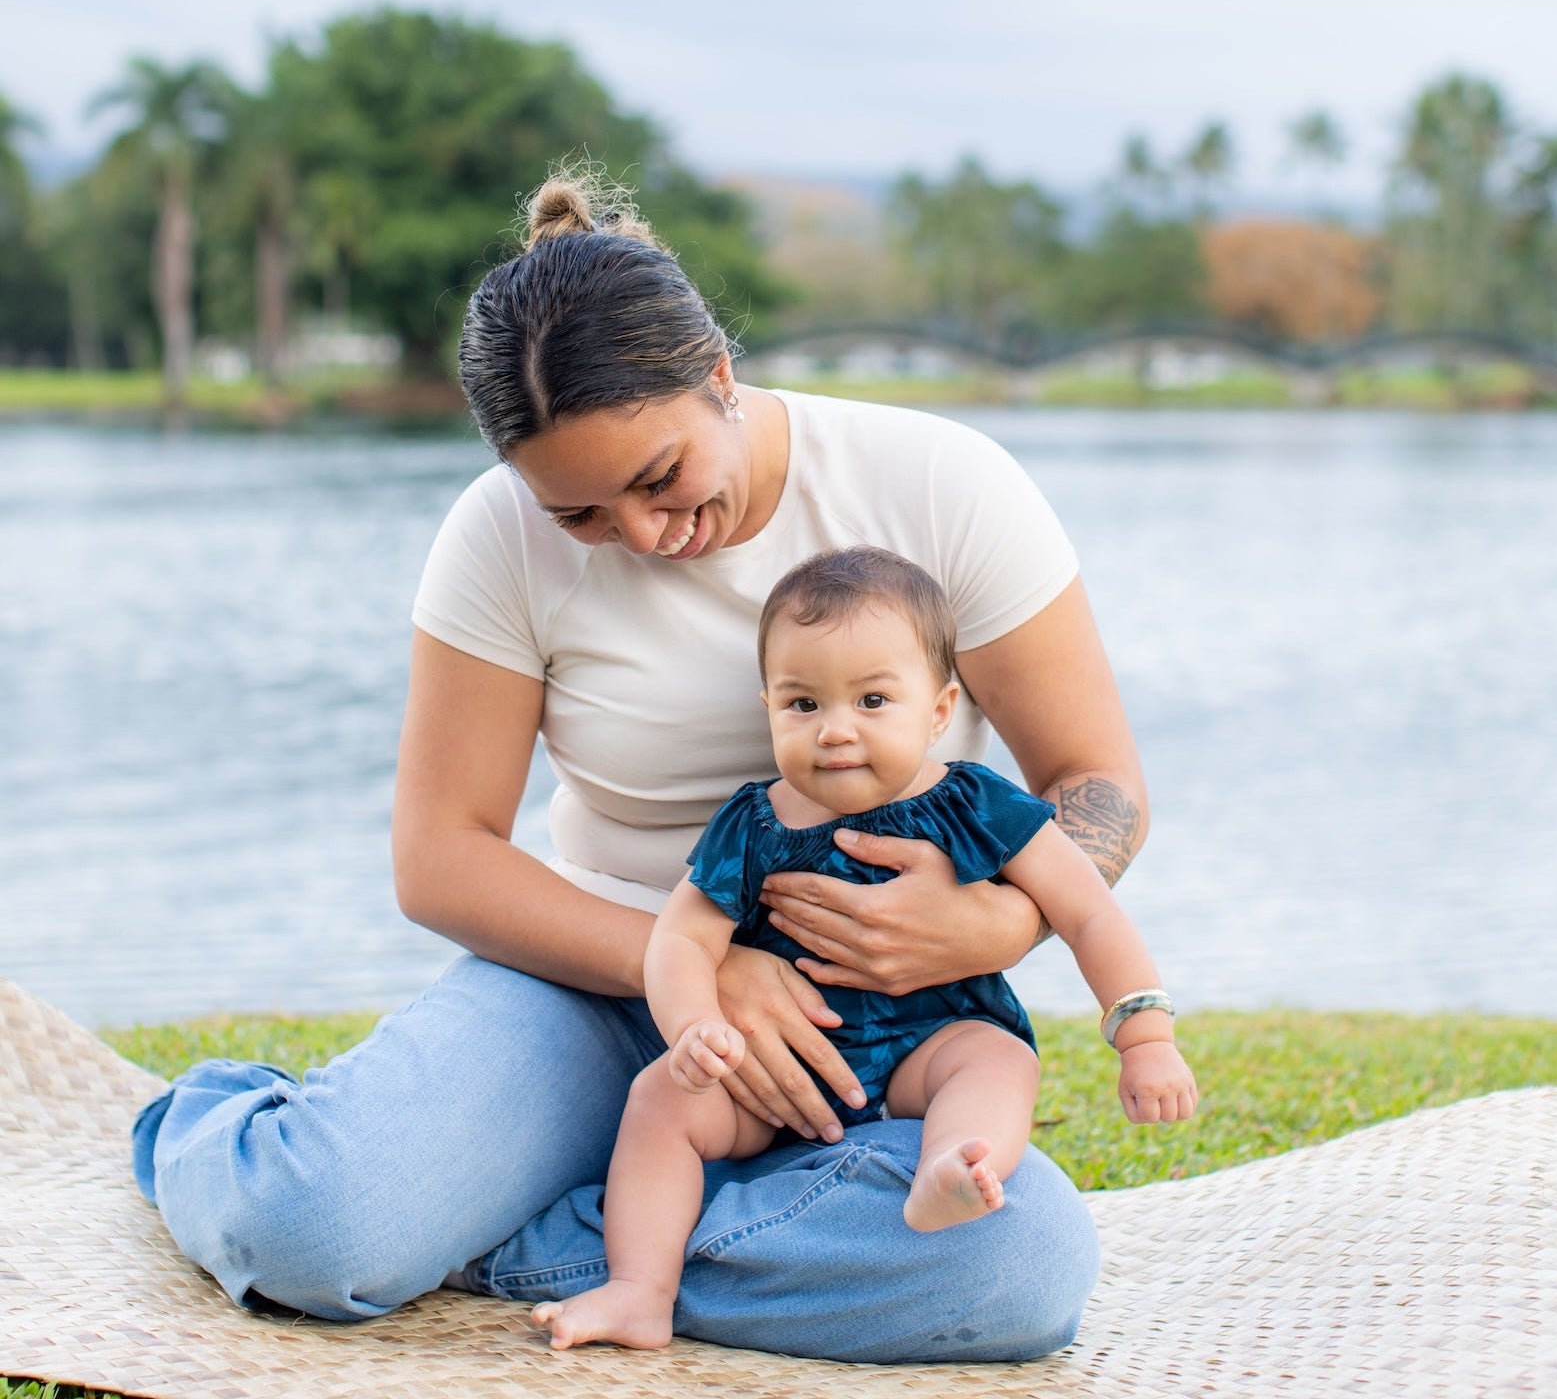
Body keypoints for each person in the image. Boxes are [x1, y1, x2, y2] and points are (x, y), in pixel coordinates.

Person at [131, 168, 1149, 1364]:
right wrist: (694, 978)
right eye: (582, 515)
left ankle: (541, 1240)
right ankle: (220, 1126)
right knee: (313, 1228)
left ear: (719, 374)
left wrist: (993, 926)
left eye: (660, 479)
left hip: (886, 1024)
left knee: (1017, 1270)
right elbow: (439, 854)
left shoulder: (942, 483)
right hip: (600, 984)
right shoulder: (493, 537)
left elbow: (1097, 781)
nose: (645, 536)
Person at [531, 547, 1197, 1351]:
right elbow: (682, 937)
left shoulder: (975, 804)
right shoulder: (753, 823)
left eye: (874, 700)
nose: (836, 729)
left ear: (940, 707)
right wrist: (694, 1027)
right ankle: (639, 1289)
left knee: (995, 1062)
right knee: (660, 1101)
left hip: (931, 1042)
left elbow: (1089, 912)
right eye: (803, 703)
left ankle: (949, 1168)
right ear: (768, 706)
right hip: (782, 1065)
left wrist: (1145, 1035)